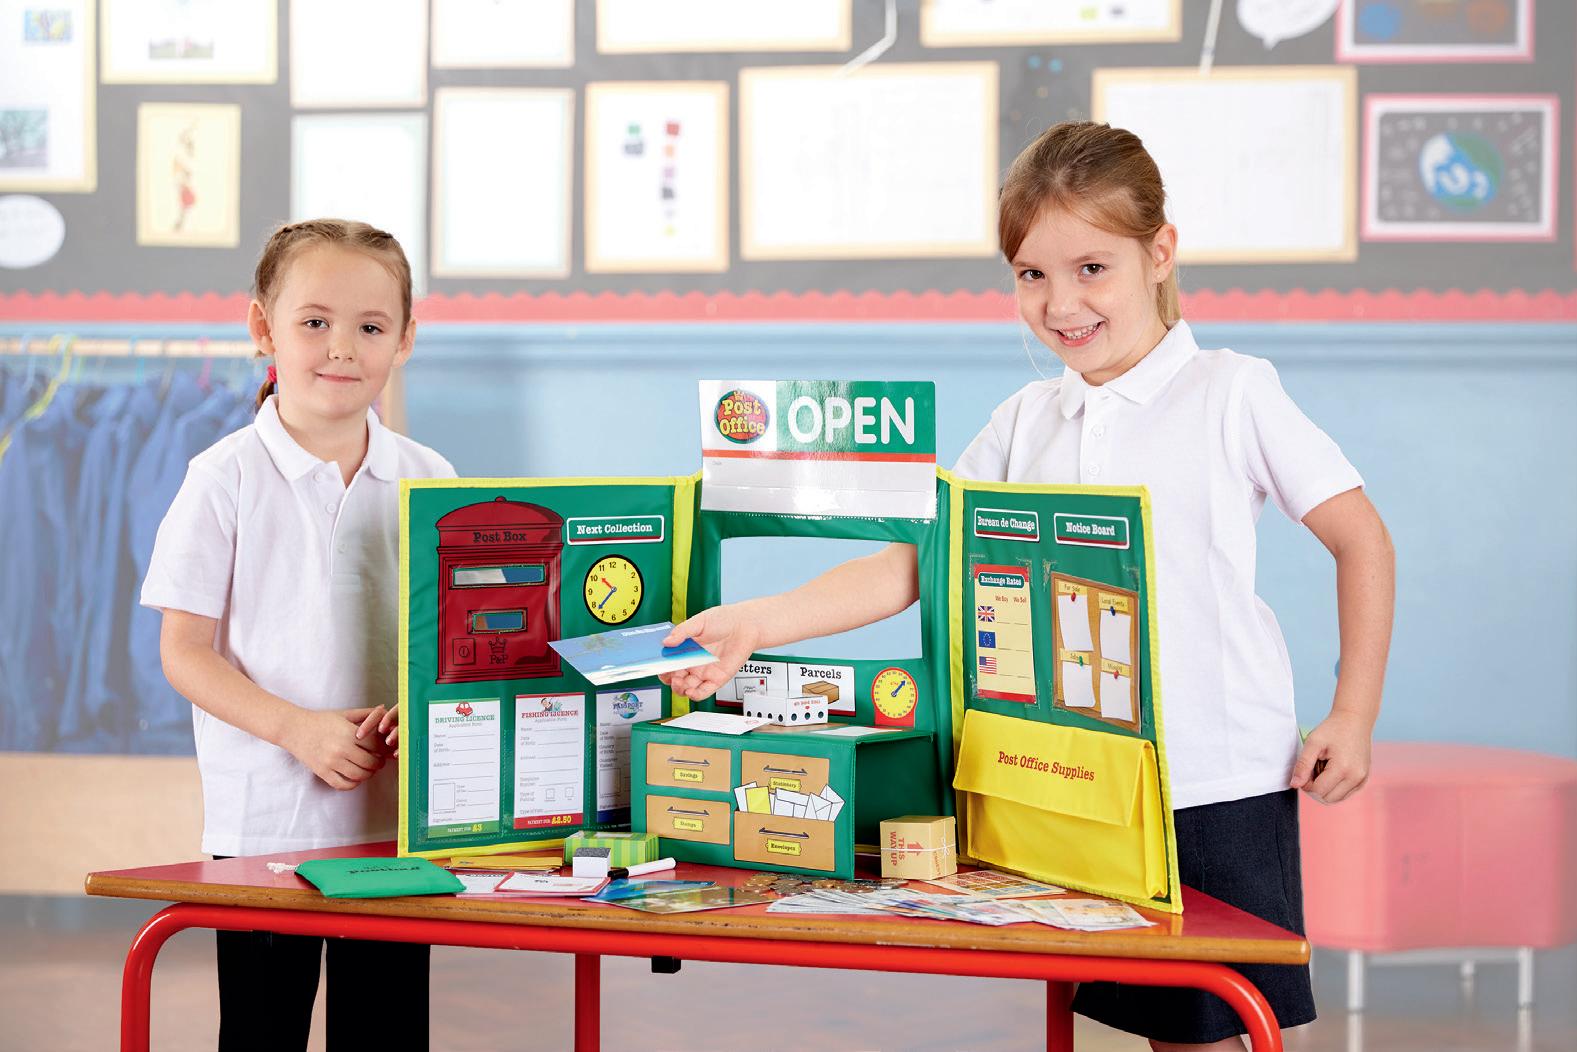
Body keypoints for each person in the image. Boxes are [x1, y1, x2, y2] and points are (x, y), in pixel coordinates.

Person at [662, 122, 1395, 1052]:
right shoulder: (1024, 419)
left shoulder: (1231, 391)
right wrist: (753, 622)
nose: (1060, 303)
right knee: (1153, 1024)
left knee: (1219, 1024)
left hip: (1215, 780)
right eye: (1031, 274)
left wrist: (1351, 714)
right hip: (1075, 781)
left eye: (1091, 268)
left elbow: (1362, 541)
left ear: (1159, 254)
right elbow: (913, 561)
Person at [142, 218, 453, 1051]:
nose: (341, 347)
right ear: (263, 328)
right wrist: (296, 729)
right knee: (261, 1030)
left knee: (385, 1033)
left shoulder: (431, 476)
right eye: (314, 321)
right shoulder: (223, 478)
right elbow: (184, 651)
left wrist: (421, 714)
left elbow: (448, 645)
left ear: (405, 339)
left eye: (371, 326)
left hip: (396, 825)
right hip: (265, 824)